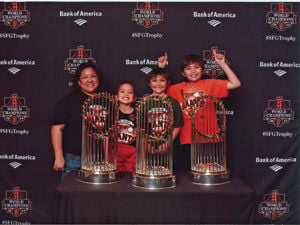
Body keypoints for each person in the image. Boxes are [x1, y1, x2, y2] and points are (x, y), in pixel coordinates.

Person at [158, 51, 241, 169]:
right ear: (183, 73)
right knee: (192, 174)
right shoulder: (178, 88)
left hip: (209, 137)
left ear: (202, 70)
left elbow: (236, 83)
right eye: (188, 68)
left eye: (197, 67)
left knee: (208, 172)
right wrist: (161, 67)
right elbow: (159, 87)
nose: (193, 71)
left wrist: (222, 64)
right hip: (188, 138)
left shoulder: (210, 84)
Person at [50, 62, 101, 179]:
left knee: (98, 196)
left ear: (98, 78)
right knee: (72, 195)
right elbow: (57, 128)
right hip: (75, 159)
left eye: (93, 76)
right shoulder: (68, 102)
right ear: (78, 82)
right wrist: (59, 157)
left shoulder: (105, 100)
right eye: (84, 77)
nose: (90, 80)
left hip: (99, 159)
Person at [147, 67, 184, 147]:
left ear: (168, 83)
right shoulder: (144, 103)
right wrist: (146, 145)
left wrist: (167, 144)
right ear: (149, 83)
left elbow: (177, 126)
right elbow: (139, 128)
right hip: (148, 146)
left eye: (162, 80)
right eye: (154, 81)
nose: (158, 84)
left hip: (169, 146)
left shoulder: (173, 102)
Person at [115, 81, 137, 172]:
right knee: (116, 174)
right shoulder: (112, 112)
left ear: (135, 98)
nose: (126, 94)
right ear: (116, 96)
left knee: (130, 176)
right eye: (122, 91)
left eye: (130, 92)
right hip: (116, 149)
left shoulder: (138, 113)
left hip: (133, 150)